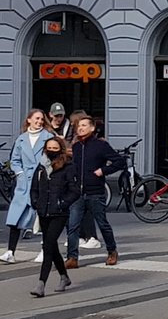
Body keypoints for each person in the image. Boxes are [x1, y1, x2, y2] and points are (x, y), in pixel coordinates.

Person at [65, 115, 122, 269]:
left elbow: (119, 161)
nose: (80, 128)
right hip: (78, 193)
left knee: (102, 224)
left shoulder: (100, 145)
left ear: (92, 128)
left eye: (84, 125)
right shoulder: (76, 147)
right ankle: (72, 257)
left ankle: (112, 251)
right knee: (73, 226)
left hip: (95, 192)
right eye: (79, 126)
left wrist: (103, 170)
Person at [29, 136, 78, 296]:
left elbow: (75, 191)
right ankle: (64, 276)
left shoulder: (68, 167)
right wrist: (35, 202)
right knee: (52, 246)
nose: (51, 151)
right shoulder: (41, 167)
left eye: (55, 148)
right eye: (49, 148)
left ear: (61, 150)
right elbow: (34, 188)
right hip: (43, 211)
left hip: (59, 213)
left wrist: (62, 203)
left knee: (48, 245)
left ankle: (41, 284)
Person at [3, 109, 53, 263]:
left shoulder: (48, 137)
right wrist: (19, 173)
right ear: (29, 120)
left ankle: (45, 251)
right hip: (24, 183)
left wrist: (44, 172)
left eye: (41, 119)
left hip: (41, 181)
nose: (39, 121)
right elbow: (15, 160)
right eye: (36, 118)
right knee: (16, 217)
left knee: (42, 218)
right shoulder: (21, 139)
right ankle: (10, 252)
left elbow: (52, 157)